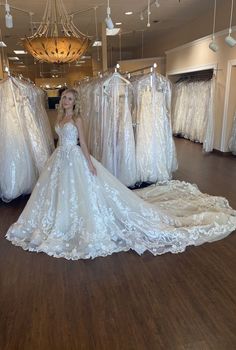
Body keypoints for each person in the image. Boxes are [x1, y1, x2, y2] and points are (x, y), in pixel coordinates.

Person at [6, 89, 236, 260]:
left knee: (85, 193)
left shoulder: (77, 119)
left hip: (75, 158)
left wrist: (89, 164)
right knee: (57, 194)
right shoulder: (59, 118)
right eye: (64, 97)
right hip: (59, 160)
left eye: (69, 98)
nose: (66, 100)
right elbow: (60, 142)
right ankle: (58, 222)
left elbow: (82, 143)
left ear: (75, 103)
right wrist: (53, 160)